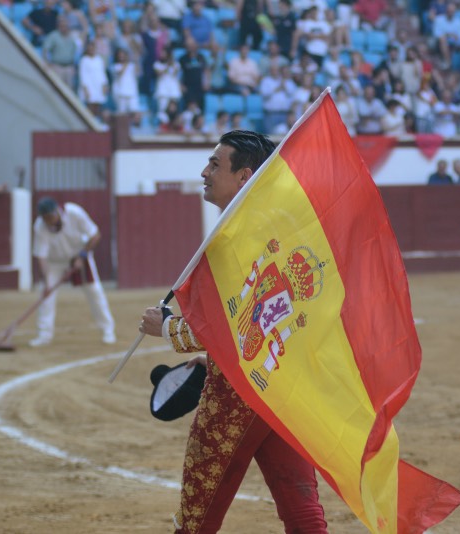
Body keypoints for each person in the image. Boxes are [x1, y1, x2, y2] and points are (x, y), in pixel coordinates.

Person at [140, 130, 328, 533]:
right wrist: (214, 356)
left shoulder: (234, 238)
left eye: (214, 165)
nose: (204, 172)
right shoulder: (280, 229)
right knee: (302, 511)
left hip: (237, 395)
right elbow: (266, 317)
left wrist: (169, 328)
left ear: (244, 178)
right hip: (281, 387)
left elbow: (226, 325)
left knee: (196, 516)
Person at [30, 197, 116, 347]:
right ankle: (44, 335)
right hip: (54, 262)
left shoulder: (74, 213)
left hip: (79, 255)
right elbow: (41, 257)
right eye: (45, 219)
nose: (48, 221)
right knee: (47, 295)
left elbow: (95, 235)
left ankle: (108, 330)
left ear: (57, 211)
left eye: (50, 217)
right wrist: (46, 281)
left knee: (94, 291)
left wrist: (82, 255)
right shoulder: (40, 226)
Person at [78, 40, 108, 120]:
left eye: (93, 48)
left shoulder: (99, 60)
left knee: (98, 105)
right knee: (90, 105)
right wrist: (85, 89)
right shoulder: (84, 60)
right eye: (90, 48)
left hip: (98, 85)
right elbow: (83, 75)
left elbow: (102, 73)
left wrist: (104, 85)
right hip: (89, 86)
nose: (91, 50)